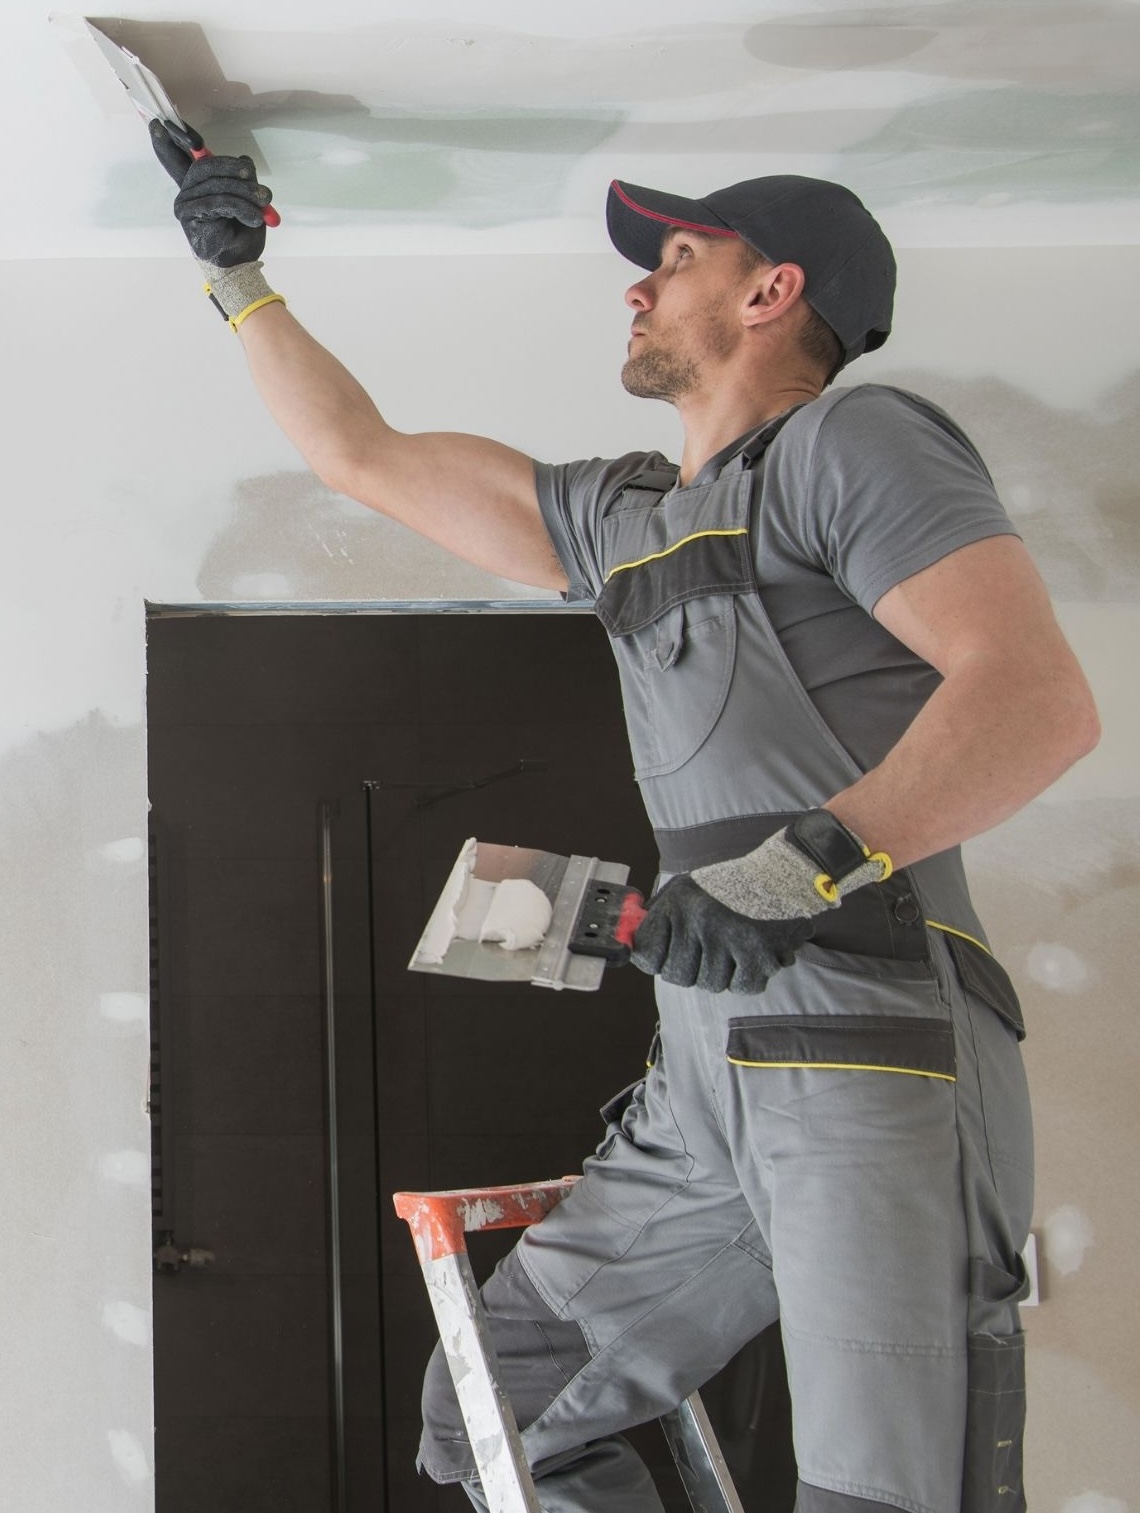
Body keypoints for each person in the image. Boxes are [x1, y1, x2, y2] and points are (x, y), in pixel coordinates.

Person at [151, 124, 1099, 1513]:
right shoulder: (627, 518)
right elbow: (361, 453)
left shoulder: (852, 445)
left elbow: (1036, 700)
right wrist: (239, 275)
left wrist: (791, 876)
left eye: (674, 257)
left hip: (865, 1040)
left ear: (774, 294)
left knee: (888, 1493)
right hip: (709, 1073)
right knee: (502, 1402)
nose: (638, 289)